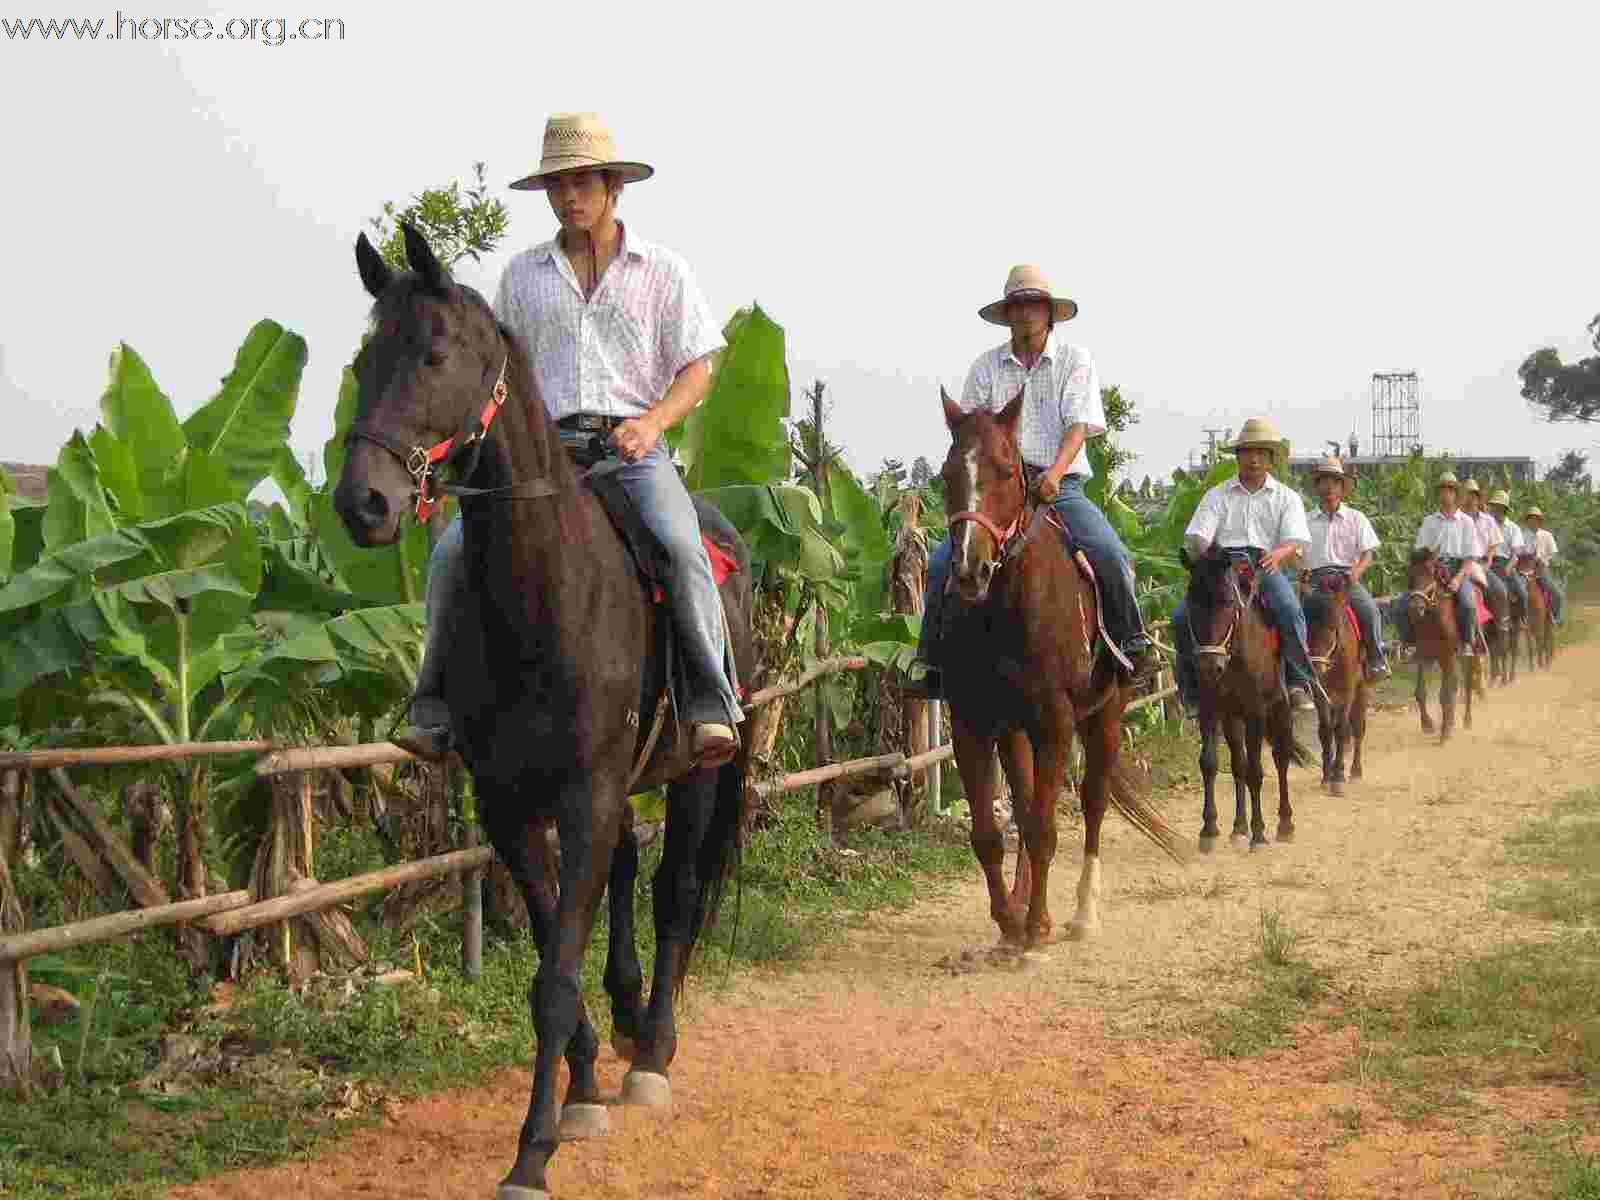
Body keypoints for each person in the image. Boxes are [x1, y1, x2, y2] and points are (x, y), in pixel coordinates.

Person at [396, 112, 741, 766]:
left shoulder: (663, 271)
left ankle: (709, 702)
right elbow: (497, 375)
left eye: (582, 182)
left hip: (632, 449)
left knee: (679, 545)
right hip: (543, 455)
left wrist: (654, 423)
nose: (569, 196)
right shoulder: (522, 277)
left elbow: (700, 366)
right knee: (449, 556)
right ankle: (432, 704)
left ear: (613, 186)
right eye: (557, 185)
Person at [906, 265, 1155, 698]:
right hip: (1001, 487)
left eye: (1032, 306)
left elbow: (1080, 426)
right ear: (1008, 315)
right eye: (1017, 307)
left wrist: (1056, 474)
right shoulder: (986, 367)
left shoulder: (1075, 360)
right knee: (944, 561)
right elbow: (970, 428)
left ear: (1048, 313)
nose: (1024, 315)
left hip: (1061, 484)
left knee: (1110, 554)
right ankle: (932, 661)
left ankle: (1131, 645)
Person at [1170, 417, 1321, 713]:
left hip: (1265, 565)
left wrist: (1279, 554)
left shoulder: (1286, 498)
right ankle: (1191, 693)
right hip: (1223, 566)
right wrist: (1213, 558)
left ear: (1270, 459)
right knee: (1180, 616)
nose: (1254, 458)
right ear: (1237, 456)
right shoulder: (1217, 495)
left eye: (1261, 453)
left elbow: (1296, 540)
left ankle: (1296, 681)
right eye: (1247, 452)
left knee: (1290, 610)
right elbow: (1198, 537)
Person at [1301, 454, 1390, 679]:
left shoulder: (1356, 518)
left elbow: (1368, 552)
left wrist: (1356, 573)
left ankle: (1376, 659)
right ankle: (1295, 674)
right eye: (1324, 481)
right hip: (1316, 581)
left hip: (1346, 580)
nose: (1329, 486)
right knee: (1293, 616)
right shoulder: (1305, 520)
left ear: (1342, 487)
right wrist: (1302, 571)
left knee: (1369, 610)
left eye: (1334, 481)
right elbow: (1296, 552)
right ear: (1317, 486)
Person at [1398, 472, 1483, 654]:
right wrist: (1428, 560)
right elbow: (1420, 550)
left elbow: (1471, 558)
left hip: (1458, 568)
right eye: (1441, 490)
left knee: (1467, 603)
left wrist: (1458, 580)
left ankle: (1467, 642)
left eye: (1449, 490)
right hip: (1431, 568)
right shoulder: (1429, 521)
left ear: (1455, 494)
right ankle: (1410, 642)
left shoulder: (1466, 522)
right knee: (1406, 601)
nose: (1444, 495)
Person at [1461, 479, 1508, 631]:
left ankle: (1501, 622)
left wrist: (1488, 560)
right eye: (1466, 495)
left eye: (1473, 495)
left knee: (1500, 590)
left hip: (1482, 564)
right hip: (1461, 564)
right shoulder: (1457, 519)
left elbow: (1493, 544)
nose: (1469, 499)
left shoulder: (1488, 520)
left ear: (1477, 498)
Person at [1485, 489, 1527, 622]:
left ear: (1504, 509)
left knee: (1522, 593)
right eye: (1493, 506)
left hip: (1505, 563)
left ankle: (1522, 619)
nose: (1494, 509)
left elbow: (1515, 555)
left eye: (1497, 507)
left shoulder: (1514, 528)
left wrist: (1508, 568)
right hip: (1487, 563)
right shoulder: (1486, 525)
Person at [1523, 506, 1566, 624]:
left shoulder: (1547, 535)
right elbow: (1518, 552)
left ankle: (1555, 617)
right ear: (1527, 521)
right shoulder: (1522, 535)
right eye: (1530, 519)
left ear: (1540, 521)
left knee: (1558, 594)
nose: (1533, 521)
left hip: (1542, 570)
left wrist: (1543, 560)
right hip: (1525, 569)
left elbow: (1553, 554)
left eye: (1536, 519)